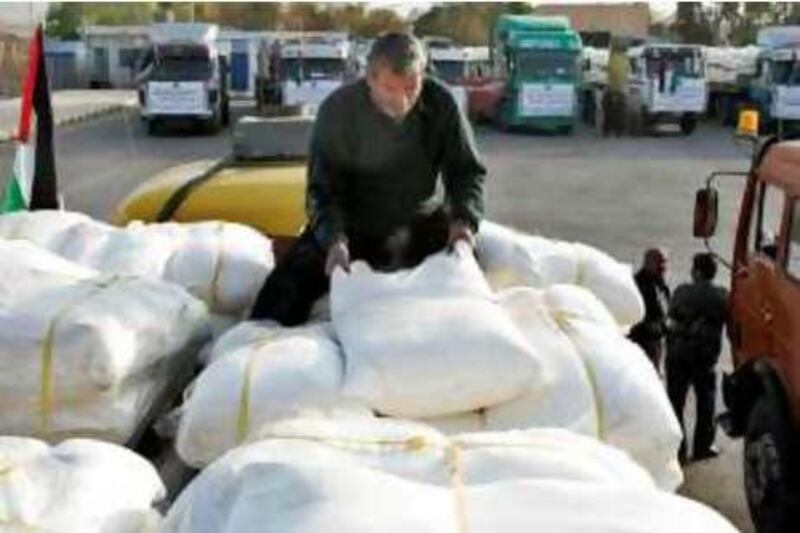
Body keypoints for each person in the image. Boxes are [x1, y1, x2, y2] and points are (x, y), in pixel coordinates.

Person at [250, 32, 487, 326]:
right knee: (283, 292)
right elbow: (323, 189)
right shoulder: (338, 110)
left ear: (422, 77)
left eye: (411, 88)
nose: (402, 100)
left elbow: (466, 171)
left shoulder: (442, 104)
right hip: (352, 227)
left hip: (420, 223)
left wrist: (464, 221)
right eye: (390, 88)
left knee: (469, 284)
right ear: (370, 79)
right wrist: (333, 239)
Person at [666, 253, 729, 464]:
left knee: (675, 403)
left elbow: (671, 317)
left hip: (677, 355)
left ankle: (678, 450)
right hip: (704, 358)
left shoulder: (682, 291)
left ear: (696, 271)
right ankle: (703, 447)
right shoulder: (721, 296)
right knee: (706, 404)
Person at [629, 248, 670, 371]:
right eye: (659, 262)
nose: (663, 266)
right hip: (641, 340)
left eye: (665, 262)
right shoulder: (638, 284)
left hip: (655, 341)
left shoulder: (660, 283)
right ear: (647, 262)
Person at [603, 38, 629, 137]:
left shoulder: (612, 58)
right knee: (620, 113)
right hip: (621, 90)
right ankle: (619, 132)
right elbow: (627, 73)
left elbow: (609, 71)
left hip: (611, 89)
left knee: (608, 113)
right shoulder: (625, 59)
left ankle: (607, 131)